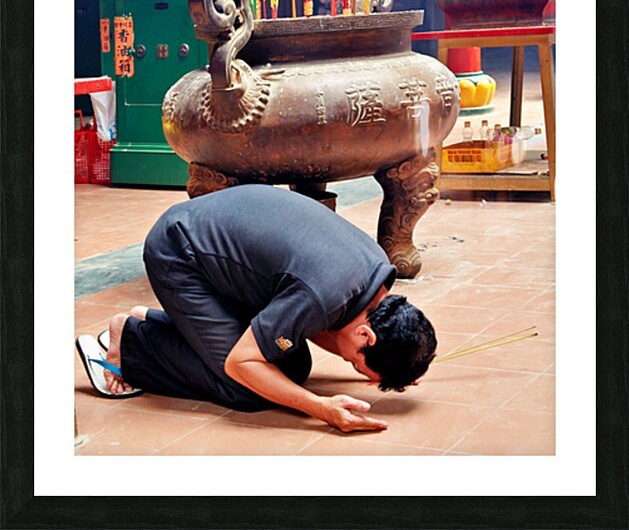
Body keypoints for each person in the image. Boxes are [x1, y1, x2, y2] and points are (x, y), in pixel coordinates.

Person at [77, 185, 437, 433]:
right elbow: (240, 363)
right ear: (366, 334)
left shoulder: (374, 273)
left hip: (223, 247)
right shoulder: (321, 294)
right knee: (246, 387)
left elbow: (327, 326)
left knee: (292, 364)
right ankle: (133, 343)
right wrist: (319, 408)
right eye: (361, 367)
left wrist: (399, 364)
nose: (361, 375)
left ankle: (154, 322)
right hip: (180, 253)